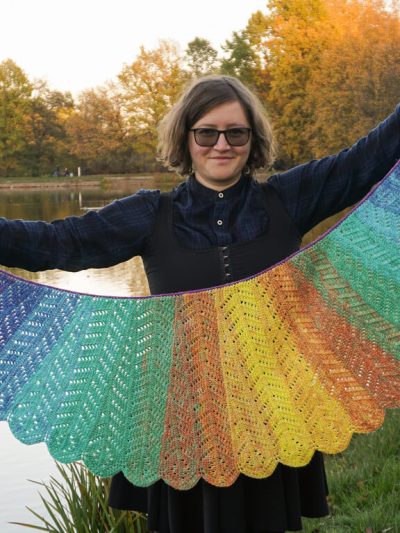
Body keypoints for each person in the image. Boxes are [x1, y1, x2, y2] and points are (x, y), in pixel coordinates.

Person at [0, 75, 399, 533]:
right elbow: (56, 243)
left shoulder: (288, 198)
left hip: (270, 409)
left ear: (253, 139)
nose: (222, 144)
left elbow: (368, 159)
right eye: (207, 132)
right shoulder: (150, 214)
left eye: (237, 133)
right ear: (186, 138)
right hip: (182, 417)